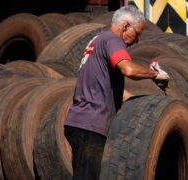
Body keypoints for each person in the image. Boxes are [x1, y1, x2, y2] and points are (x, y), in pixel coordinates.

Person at [63, 5, 170, 179]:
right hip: (91, 126)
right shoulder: (113, 40)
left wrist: (144, 105)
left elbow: (110, 89)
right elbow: (127, 69)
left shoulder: (97, 40)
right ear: (126, 26)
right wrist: (154, 74)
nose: (137, 41)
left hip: (79, 122)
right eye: (137, 34)